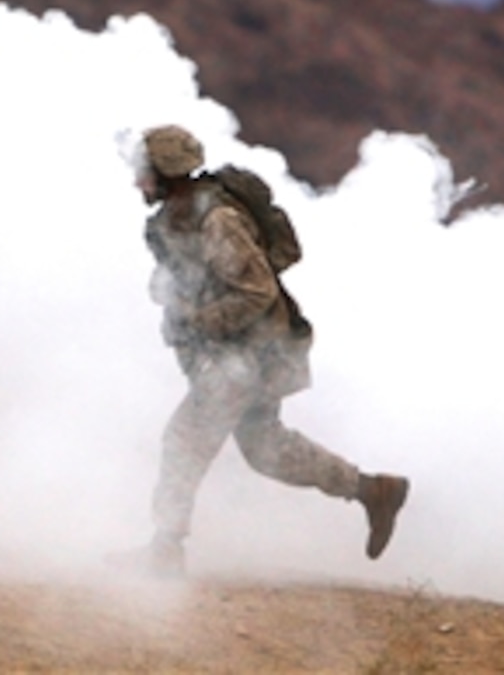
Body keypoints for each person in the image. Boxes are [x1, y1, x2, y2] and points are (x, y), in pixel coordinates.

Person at [109, 125, 409, 577]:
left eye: (144, 172)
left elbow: (256, 292)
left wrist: (198, 320)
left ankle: (164, 553)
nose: (138, 182)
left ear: (166, 174)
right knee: (264, 447)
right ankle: (372, 491)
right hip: (251, 354)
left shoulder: (216, 221)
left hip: (248, 358)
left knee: (184, 441)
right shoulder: (181, 216)